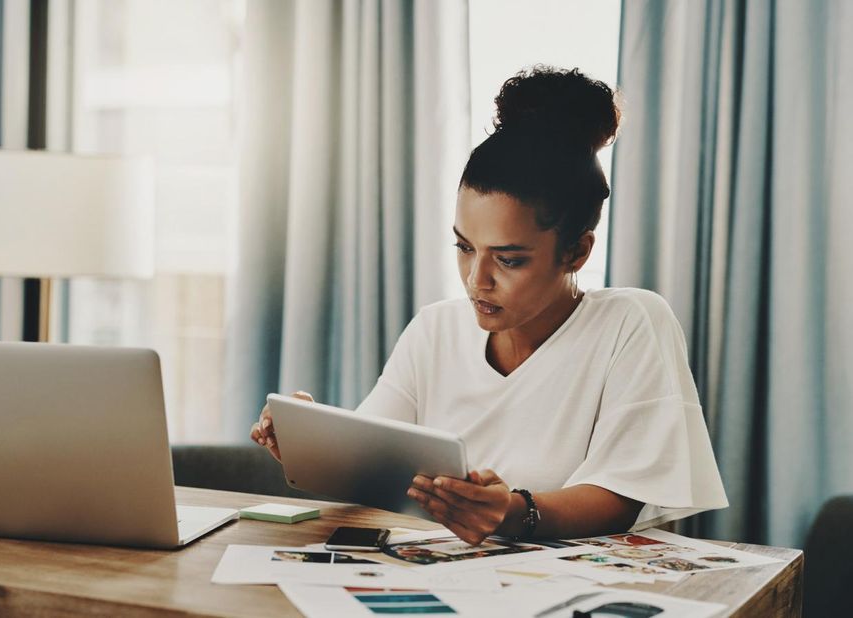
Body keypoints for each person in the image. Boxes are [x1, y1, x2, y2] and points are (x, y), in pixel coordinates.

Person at [250, 66, 728, 545]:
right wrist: (309, 441)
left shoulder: (630, 323)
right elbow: (373, 461)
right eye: (464, 248)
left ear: (577, 252)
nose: (477, 280)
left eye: (510, 259)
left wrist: (516, 514)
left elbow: (621, 494)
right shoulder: (435, 330)